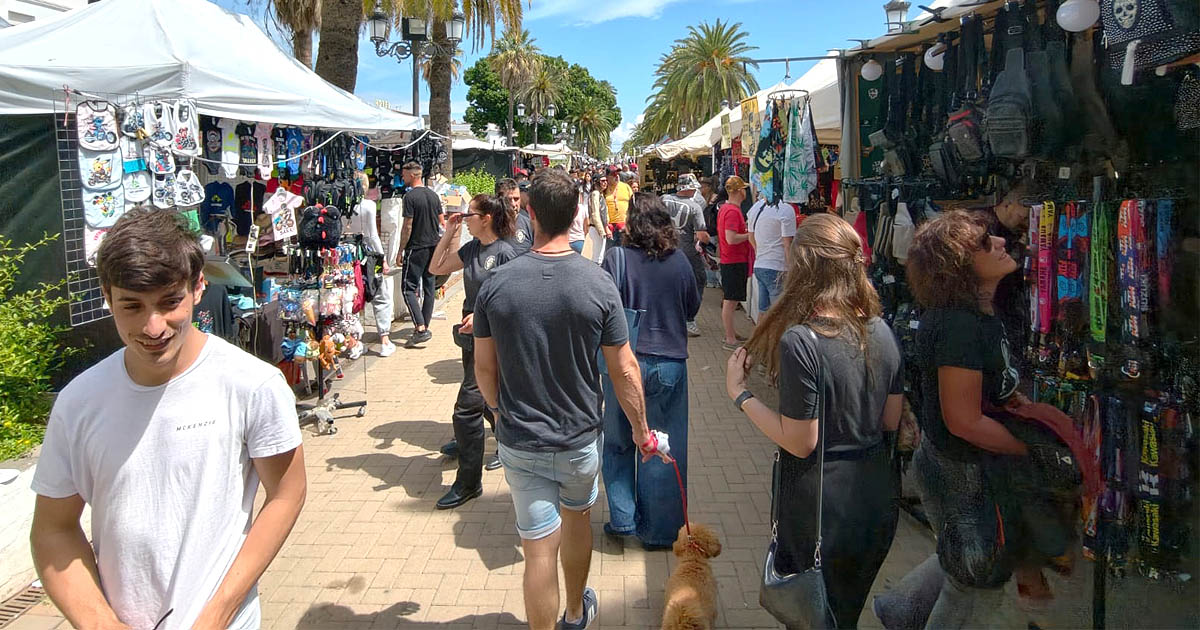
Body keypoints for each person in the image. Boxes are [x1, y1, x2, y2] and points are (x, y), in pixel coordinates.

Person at [30, 208, 306, 630]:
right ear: (107, 295)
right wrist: (102, 624)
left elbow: (286, 493)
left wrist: (219, 613)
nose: (153, 326)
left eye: (168, 302)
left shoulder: (253, 385)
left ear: (198, 287)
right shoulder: (78, 403)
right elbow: (53, 529)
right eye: (132, 306)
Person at [473, 169, 665, 630]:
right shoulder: (598, 283)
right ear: (578, 213)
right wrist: (641, 430)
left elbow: (484, 368)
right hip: (579, 438)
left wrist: (499, 412)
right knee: (577, 519)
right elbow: (624, 369)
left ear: (531, 213)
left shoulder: (497, 283)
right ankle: (576, 613)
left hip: (520, 439)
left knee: (538, 548)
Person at [725, 214, 903, 628]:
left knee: (811, 613)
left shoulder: (802, 342)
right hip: (875, 499)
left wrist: (741, 395)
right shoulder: (880, 330)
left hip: (822, 505)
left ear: (802, 268)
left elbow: (800, 440)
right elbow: (891, 420)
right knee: (844, 613)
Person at [873, 210, 1030, 629]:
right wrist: (1028, 447)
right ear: (958, 265)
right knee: (976, 581)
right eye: (984, 243)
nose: (1000, 243)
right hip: (960, 469)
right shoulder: (958, 325)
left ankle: (899, 610)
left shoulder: (975, 315)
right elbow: (964, 421)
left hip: (956, 462)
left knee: (961, 558)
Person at [601, 194, 700, 549]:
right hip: (671, 363)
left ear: (631, 224)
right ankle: (659, 532)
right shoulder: (680, 262)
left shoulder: (617, 259)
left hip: (625, 364)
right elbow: (692, 307)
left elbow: (602, 310)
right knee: (665, 444)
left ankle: (624, 519)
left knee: (617, 442)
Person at [428, 195, 517, 508]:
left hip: (494, 341)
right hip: (471, 339)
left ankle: (468, 482)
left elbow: (515, 301)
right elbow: (436, 266)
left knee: (466, 409)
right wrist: (450, 233)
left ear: (488, 217)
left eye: (470, 215)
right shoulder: (472, 249)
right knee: (484, 401)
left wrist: (483, 316)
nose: (466, 218)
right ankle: (506, 443)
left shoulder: (507, 252)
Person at [348, 172, 397, 356]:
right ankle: (384, 339)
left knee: (352, 296)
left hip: (349, 256)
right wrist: (382, 258)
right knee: (380, 292)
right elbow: (372, 235)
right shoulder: (368, 205)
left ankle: (355, 341)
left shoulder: (342, 206)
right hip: (370, 256)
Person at [397, 162, 442, 347]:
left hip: (416, 247)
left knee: (408, 288)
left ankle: (421, 328)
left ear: (413, 175)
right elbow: (441, 222)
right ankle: (424, 325)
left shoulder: (410, 197)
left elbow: (408, 225)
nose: (402, 178)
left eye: (404, 175)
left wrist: (401, 249)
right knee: (429, 286)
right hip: (433, 245)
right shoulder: (433, 195)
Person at [661, 173, 710, 337]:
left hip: (664, 250)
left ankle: (667, 317)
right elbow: (702, 234)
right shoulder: (695, 207)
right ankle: (689, 319)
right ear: (689, 188)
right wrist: (708, 239)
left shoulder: (663, 199)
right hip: (686, 252)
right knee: (699, 279)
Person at [717, 176, 752, 349]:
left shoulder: (727, 209)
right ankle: (730, 338)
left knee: (732, 299)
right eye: (743, 189)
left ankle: (731, 332)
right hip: (733, 259)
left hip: (732, 259)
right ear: (739, 191)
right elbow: (731, 238)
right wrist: (750, 234)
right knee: (731, 300)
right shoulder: (731, 211)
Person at [746, 197, 797, 315]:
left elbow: (750, 237)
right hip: (777, 267)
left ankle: (758, 334)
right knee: (778, 315)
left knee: (763, 312)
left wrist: (760, 253)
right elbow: (787, 245)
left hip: (760, 265)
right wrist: (792, 269)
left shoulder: (756, 207)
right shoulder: (786, 209)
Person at [496, 177, 533, 255]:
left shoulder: (530, 225)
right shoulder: (487, 225)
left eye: (516, 199)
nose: (513, 204)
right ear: (497, 199)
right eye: (508, 200)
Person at [604, 166, 633, 251]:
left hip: (624, 225)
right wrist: (606, 225)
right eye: (613, 174)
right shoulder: (604, 189)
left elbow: (633, 204)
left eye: (617, 174)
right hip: (610, 228)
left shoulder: (626, 187)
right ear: (607, 177)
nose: (616, 176)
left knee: (625, 252)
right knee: (610, 252)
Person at [568, 181, 593, 254]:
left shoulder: (564, 208)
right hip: (579, 240)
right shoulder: (582, 208)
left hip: (567, 242)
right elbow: (587, 225)